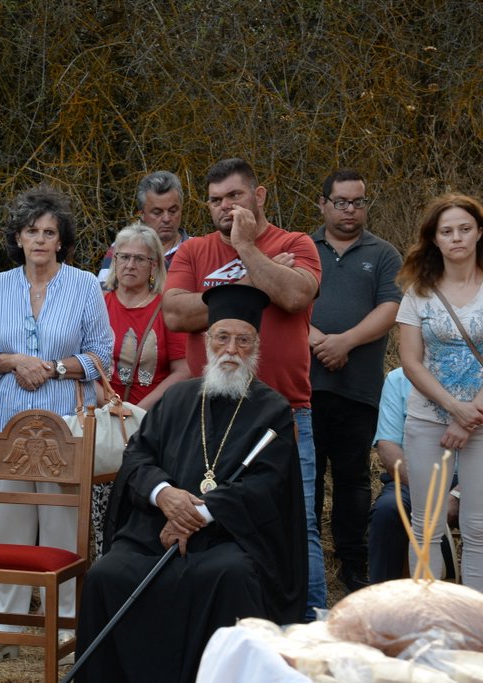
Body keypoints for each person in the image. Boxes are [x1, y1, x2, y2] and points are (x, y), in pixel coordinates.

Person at [76, 284, 306, 683]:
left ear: (255, 346)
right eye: (222, 338)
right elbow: (137, 458)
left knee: (230, 577)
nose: (231, 349)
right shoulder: (177, 399)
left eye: (242, 340)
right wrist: (165, 496)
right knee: (107, 574)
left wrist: (197, 513)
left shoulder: (272, 409)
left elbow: (267, 485)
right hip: (156, 529)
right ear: (207, 341)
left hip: (230, 536)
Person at [163, 157, 325, 619]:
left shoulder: (296, 243)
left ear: (260, 196)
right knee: (211, 520)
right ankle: (215, 624)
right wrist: (259, 277)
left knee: (300, 524)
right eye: (215, 200)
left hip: (286, 416)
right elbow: (175, 314)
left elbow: (295, 295)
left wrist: (247, 248)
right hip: (209, 421)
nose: (225, 207)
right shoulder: (193, 253)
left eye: (234, 196)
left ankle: (306, 626)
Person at [0, 183, 113, 663]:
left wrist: (52, 367)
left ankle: (64, 628)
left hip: (63, 425)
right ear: (18, 237)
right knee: (10, 526)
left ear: (61, 240)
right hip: (9, 424)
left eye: (49, 232)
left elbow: (102, 354)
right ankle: (7, 628)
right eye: (31, 231)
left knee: (59, 527)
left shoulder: (85, 285)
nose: (39, 240)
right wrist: (14, 361)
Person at [309, 169, 402, 593]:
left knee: (352, 480)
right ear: (323, 204)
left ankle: (351, 561)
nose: (350, 210)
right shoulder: (302, 248)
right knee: (305, 476)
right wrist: (316, 341)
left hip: (359, 387)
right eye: (341, 201)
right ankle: (303, 557)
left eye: (358, 201)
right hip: (304, 385)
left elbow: (390, 310)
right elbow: (286, 303)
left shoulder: (384, 255)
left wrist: (344, 341)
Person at [396, 192, 483, 591]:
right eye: (447, 231)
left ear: (479, 232)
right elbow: (411, 360)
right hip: (428, 420)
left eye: (465, 229)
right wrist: (453, 409)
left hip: (480, 422)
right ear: (434, 239)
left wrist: (469, 418)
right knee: (426, 523)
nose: (457, 238)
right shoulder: (419, 292)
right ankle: (427, 622)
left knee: (478, 527)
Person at [93, 222, 188, 551]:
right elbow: (85, 360)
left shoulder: (166, 309)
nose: (130, 264)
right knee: (99, 514)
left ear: (154, 266)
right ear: (114, 261)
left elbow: (184, 369)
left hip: (152, 427)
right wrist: (107, 404)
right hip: (103, 425)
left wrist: (137, 410)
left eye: (140, 258)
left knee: (141, 510)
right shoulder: (97, 304)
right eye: (123, 257)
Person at [368, 367, 459, 584]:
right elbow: (388, 446)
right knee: (388, 511)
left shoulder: (478, 375)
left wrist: (456, 495)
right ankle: (385, 605)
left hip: (468, 483)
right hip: (413, 478)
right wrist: (426, 494)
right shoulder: (398, 379)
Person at [96, 171, 190, 284]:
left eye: (173, 211)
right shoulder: (122, 248)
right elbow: (104, 294)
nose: (166, 218)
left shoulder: (198, 249)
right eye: (157, 212)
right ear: (142, 215)